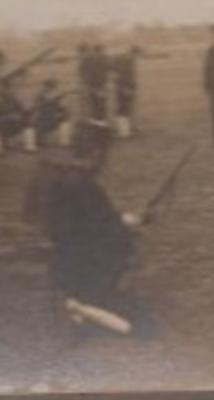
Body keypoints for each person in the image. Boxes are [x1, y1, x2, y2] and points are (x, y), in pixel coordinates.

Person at [25, 118, 142, 334]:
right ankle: (91, 297)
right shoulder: (82, 182)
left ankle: (84, 297)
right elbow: (104, 222)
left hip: (62, 251)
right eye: (105, 152)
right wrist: (128, 222)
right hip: (80, 255)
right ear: (97, 152)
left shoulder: (55, 171)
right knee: (125, 240)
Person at [112, 45, 139, 139]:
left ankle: (122, 129)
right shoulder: (129, 61)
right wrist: (128, 88)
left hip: (120, 86)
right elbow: (128, 77)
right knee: (124, 109)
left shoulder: (123, 58)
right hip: (124, 87)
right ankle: (124, 132)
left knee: (121, 108)